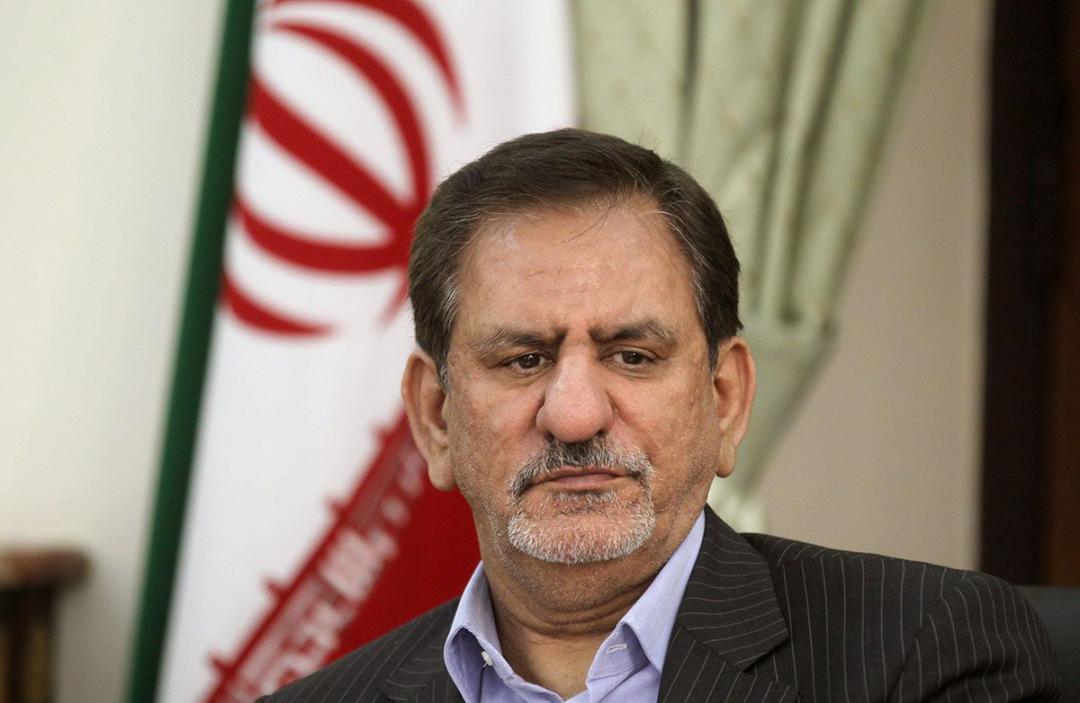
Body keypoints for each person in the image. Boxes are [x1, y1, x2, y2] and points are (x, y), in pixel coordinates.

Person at [261, 129, 1061, 702]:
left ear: (725, 399)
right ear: (437, 418)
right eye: (524, 359)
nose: (576, 415)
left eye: (632, 355)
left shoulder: (925, 653)